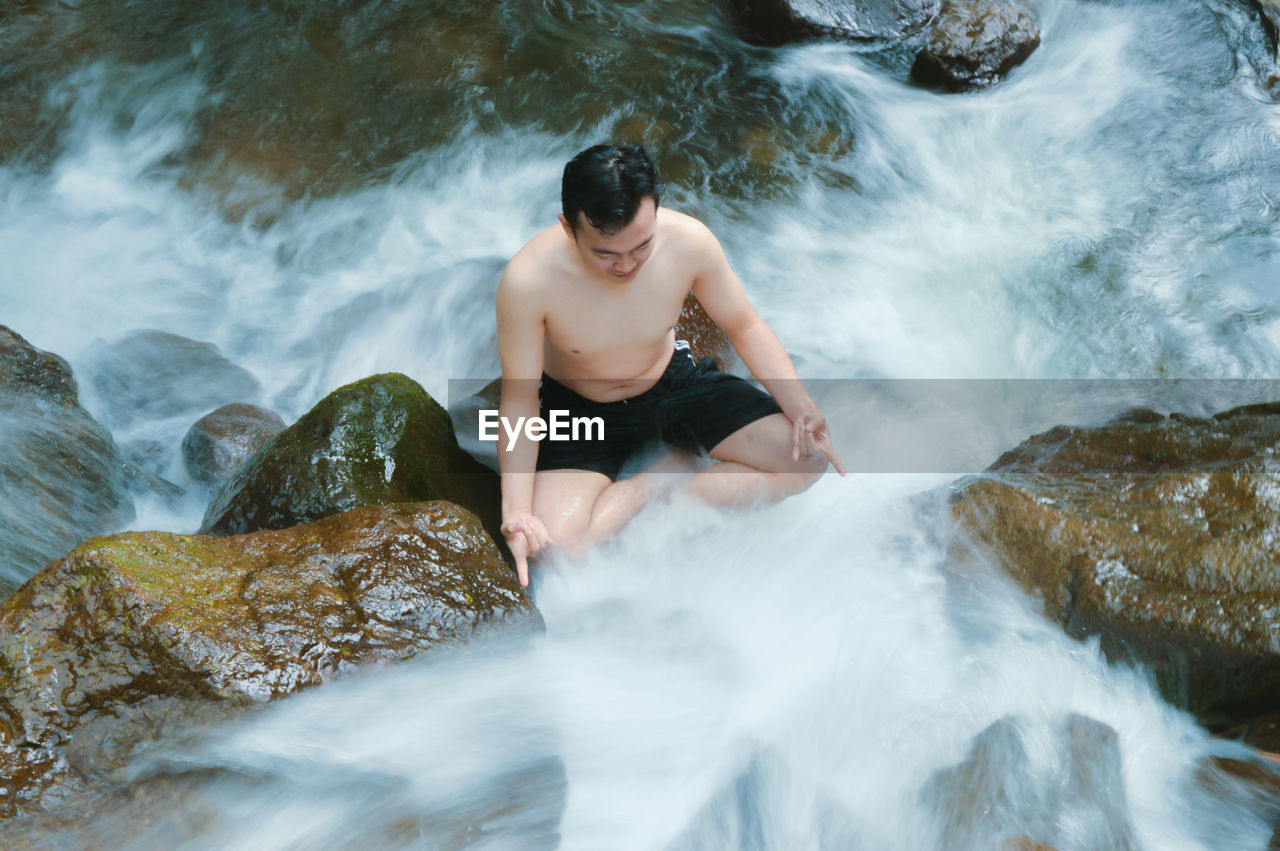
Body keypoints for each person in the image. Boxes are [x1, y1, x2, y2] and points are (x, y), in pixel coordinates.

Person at [496, 144, 844, 586]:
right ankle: (651, 482)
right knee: (556, 550)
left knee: (807, 460)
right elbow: (521, 399)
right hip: (580, 409)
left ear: (656, 212)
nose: (626, 265)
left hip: (674, 383)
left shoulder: (689, 243)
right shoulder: (528, 281)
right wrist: (517, 511)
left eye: (642, 245)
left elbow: (745, 326)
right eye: (605, 253)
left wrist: (801, 408)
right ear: (568, 227)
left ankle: (666, 488)